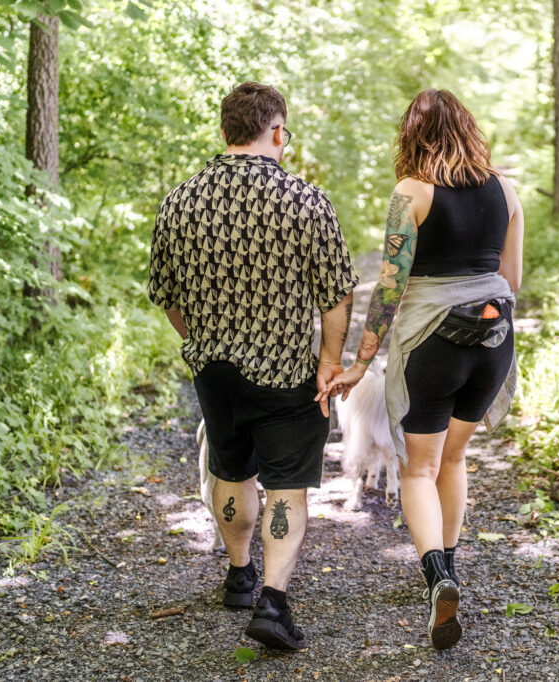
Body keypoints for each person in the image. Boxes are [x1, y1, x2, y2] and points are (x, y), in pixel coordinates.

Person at [148, 82, 358, 651]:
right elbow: (337, 294)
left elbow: (167, 294)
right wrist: (329, 362)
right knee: (286, 484)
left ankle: (238, 573)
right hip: (287, 370)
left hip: (214, 367)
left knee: (230, 467)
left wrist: (203, 340)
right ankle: (272, 602)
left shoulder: (180, 201)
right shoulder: (305, 200)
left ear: (224, 133)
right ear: (278, 133)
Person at [317, 88, 523, 650]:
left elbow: (390, 285)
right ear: (468, 129)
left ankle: (438, 577)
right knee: (455, 458)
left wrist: (362, 361)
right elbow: (513, 278)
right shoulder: (506, 189)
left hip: (432, 341)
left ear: (412, 135)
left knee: (417, 468)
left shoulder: (411, 191)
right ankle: (450, 568)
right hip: (492, 334)